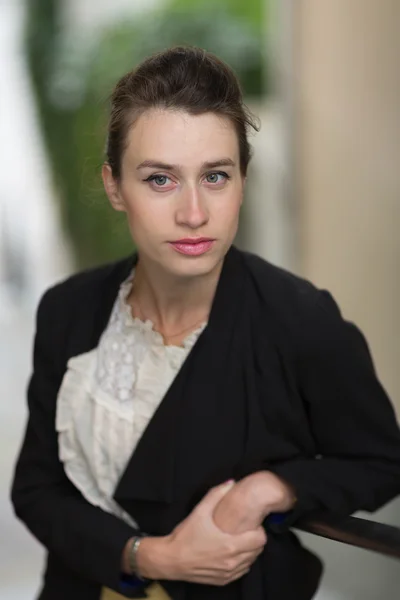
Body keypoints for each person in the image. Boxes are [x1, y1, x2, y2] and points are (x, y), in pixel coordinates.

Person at [11, 45, 400, 600]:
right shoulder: (68, 310)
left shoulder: (301, 321)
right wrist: (149, 556)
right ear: (115, 186)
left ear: (243, 178)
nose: (194, 213)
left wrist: (276, 486)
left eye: (215, 176)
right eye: (160, 180)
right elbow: (37, 490)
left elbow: (382, 460)